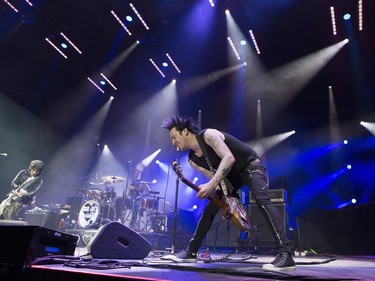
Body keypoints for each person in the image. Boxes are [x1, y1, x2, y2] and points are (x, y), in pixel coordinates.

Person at [161, 116, 295, 272]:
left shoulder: (208, 135)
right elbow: (218, 179)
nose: (173, 142)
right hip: (230, 179)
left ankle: (286, 254)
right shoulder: (192, 160)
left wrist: (211, 186)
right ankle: (191, 251)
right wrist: (227, 203)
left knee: (261, 199)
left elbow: (229, 158)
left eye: (174, 137)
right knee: (210, 209)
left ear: (184, 131)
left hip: (250, 167)